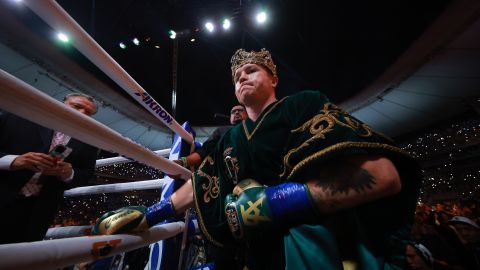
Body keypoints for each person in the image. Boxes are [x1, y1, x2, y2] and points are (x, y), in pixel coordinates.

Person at [94, 48, 422, 269]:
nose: (243, 78)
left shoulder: (303, 105)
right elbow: (203, 184)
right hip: (249, 256)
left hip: (310, 251)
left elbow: (383, 175)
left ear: (274, 78)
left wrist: (276, 203)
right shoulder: (231, 138)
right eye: (237, 77)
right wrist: (151, 214)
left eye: (252, 70)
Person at [0, 93, 99, 244]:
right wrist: (14, 161)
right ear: (61, 104)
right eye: (77, 106)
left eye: (88, 112)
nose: (82, 113)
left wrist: (68, 173)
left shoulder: (89, 142)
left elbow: (86, 174)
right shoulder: (20, 116)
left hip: (37, 212)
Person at [174, 104, 247, 168]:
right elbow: (204, 151)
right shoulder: (221, 131)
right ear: (231, 117)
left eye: (240, 110)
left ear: (248, 114)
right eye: (233, 112)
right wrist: (183, 162)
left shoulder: (255, 129)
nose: (237, 112)